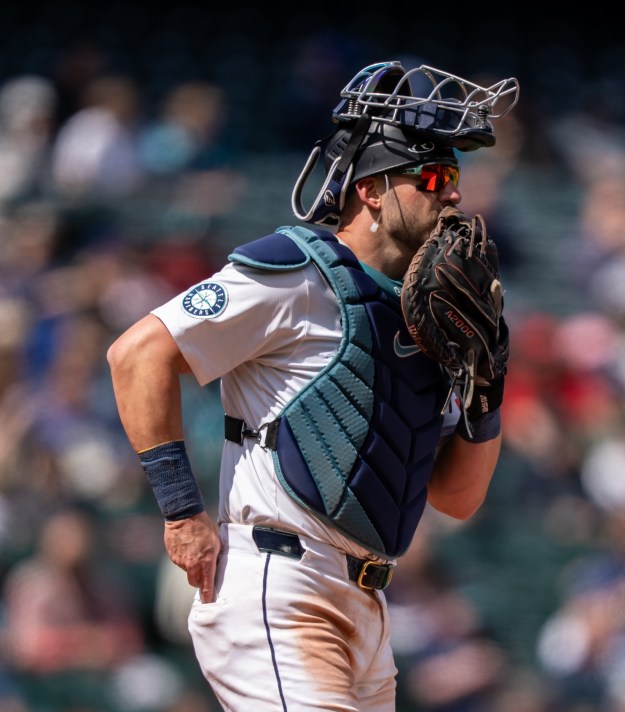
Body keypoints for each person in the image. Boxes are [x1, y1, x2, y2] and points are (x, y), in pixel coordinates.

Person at [107, 60, 519, 710]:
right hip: (281, 582)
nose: (453, 196)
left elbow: (458, 498)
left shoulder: (433, 316)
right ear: (373, 189)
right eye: (434, 177)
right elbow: (138, 355)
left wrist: (487, 389)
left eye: (455, 178)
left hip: (368, 608)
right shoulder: (298, 273)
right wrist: (182, 512)